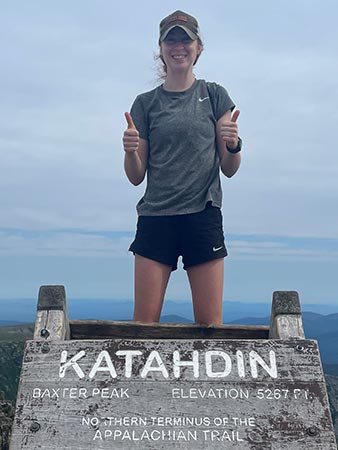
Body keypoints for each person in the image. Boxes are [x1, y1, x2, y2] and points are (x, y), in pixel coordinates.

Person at [122, 10, 242, 325]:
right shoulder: (145, 104)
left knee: (210, 328)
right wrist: (130, 151)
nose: (179, 46)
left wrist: (233, 144)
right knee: (142, 330)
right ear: (161, 49)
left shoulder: (214, 95)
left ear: (198, 47)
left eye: (185, 39)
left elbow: (230, 168)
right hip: (155, 218)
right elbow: (136, 175)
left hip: (202, 216)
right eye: (170, 39)